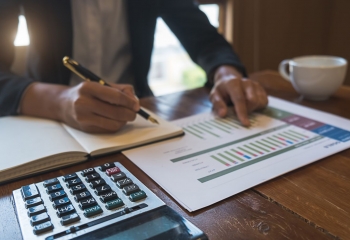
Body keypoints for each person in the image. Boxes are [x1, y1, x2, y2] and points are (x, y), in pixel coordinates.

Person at [0, 0, 268, 133]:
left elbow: (205, 39)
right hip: (44, 120)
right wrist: (58, 101)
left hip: (132, 118)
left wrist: (226, 73)